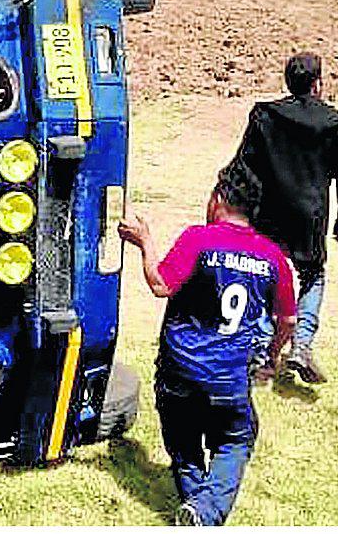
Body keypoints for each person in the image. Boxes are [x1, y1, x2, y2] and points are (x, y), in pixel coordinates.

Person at [120, 159, 297, 527]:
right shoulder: (273, 257)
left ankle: (200, 512)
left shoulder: (198, 239)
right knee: (236, 440)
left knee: (185, 447)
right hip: (229, 379)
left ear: (219, 198)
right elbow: (288, 319)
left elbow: (160, 285)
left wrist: (144, 241)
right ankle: (204, 512)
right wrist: (272, 357)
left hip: (179, 371)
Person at [233, 51, 338, 385]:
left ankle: (262, 352)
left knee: (264, 275)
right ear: (317, 84)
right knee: (313, 274)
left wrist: (235, 209)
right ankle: (301, 344)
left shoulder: (265, 114)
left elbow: (244, 166)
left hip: (268, 213)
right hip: (309, 218)